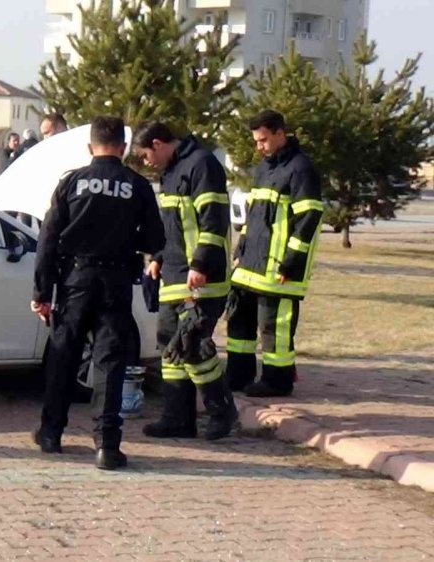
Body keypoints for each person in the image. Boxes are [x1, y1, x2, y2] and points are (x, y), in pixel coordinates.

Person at [31, 116, 165, 470]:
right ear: (122, 147)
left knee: (64, 357)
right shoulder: (137, 186)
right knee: (110, 363)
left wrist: (42, 291)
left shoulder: (71, 182)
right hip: (116, 282)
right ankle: (106, 445)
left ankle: (50, 433)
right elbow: (155, 240)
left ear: (91, 147)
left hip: (74, 280)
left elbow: (47, 240)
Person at [132, 121, 237, 440]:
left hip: (202, 278)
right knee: (169, 344)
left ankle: (222, 410)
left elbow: (213, 220)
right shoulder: (170, 173)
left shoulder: (202, 165)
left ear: (160, 143)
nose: (145, 162)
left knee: (192, 344)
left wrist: (201, 263)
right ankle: (178, 419)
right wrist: (159, 259)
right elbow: (172, 226)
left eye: (146, 154)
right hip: (174, 276)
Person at [227, 110, 323, 397]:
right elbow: (254, 216)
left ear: (281, 133)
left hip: (279, 268)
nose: (260, 146)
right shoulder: (263, 169)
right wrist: (239, 250)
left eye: (264, 140)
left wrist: (291, 263)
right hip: (250, 264)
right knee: (238, 319)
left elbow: (308, 219)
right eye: (256, 141)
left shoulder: (301, 168)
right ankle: (238, 375)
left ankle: (277, 381)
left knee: (274, 327)